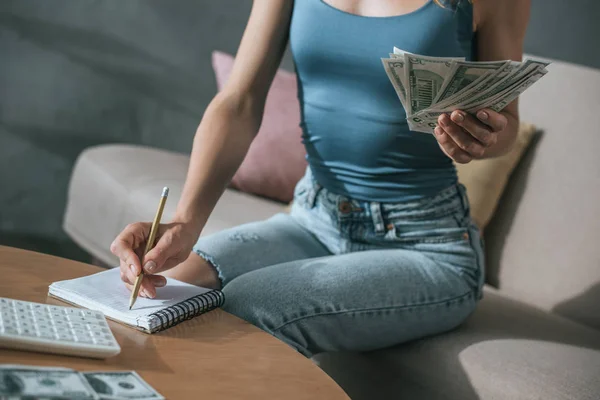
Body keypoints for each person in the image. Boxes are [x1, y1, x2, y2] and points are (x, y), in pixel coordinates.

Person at [111, 0, 530, 357]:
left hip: (427, 245)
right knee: (167, 295)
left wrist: (484, 137)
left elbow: (506, 123)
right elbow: (239, 100)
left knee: (248, 306)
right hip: (314, 218)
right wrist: (184, 223)